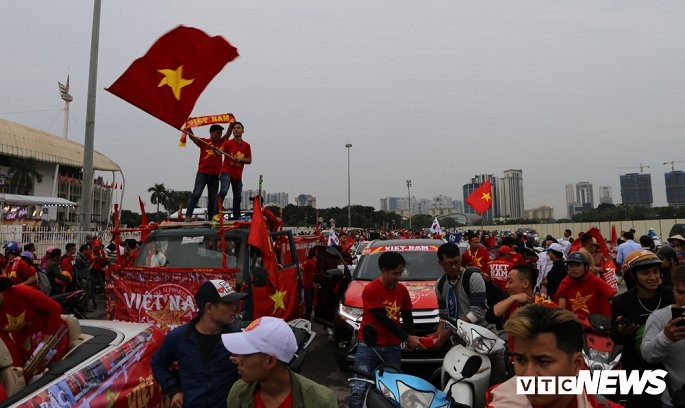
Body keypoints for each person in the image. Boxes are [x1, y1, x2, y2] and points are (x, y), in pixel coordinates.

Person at [486, 304, 622, 407]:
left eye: (543, 361)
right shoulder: (499, 401)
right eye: (521, 360)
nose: (528, 374)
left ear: (577, 364)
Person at [151, 279, 246, 408]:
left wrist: (244, 365)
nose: (234, 307)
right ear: (209, 308)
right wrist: (174, 391)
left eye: (234, 302)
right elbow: (158, 364)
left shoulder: (236, 335)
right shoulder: (179, 337)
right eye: (228, 303)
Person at [349, 251, 425, 408]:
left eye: (400, 273)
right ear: (383, 270)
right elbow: (383, 320)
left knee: (392, 390)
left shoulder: (402, 290)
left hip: (392, 346)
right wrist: (406, 337)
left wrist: (411, 336)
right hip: (369, 346)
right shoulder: (371, 289)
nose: (398, 277)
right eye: (395, 273)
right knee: (359, 387)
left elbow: (407, 315)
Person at [222, 316, 337, 407]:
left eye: (246, 353)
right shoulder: (238, 392)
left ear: (270, 361)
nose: (237, 359)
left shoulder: (321, 402)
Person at [611, 249, 673, 407]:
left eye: (655, 271)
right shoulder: (621, 302)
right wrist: (621, 332)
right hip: (638, 370)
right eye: (645, 273)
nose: (653, 277)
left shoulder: (671, 295)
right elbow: (615, 337)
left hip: (671, 366)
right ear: (632, 275)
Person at [0, 275, 69, 373]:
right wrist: (17, 368)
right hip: (25, 345)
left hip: (50, 334)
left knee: (55, 370)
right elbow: (7, 344)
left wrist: (49, 335)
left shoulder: (22, 292)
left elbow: (54, 308)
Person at [641, 263, 685, 408]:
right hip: (676, 399)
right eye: (680, 292)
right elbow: (647, 355)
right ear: (673, 291)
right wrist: (666, 337)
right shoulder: (659, 318)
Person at [434, 243, 489, 346]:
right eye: (449, 263)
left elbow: (477, 311)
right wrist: (440, 331)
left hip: (482, 335)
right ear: (440, 263)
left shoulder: (473, 277)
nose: (454, 267)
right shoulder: (440, 285)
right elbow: (443, 312)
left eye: (457, 262)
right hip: (459, 338)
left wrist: (449, 332)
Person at [487, 263, 555, 326]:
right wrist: (511, 299)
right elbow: (489, 317)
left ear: (525, 283)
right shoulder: (510, 301)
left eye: (510, 282)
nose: (506, 286)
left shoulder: (548, 307)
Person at [555, 252, 616, 320]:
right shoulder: (565, 282)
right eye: (571, 265)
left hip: (596, 323)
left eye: (578, 265)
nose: (574, 268)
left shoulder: (594, 280)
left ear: (586, 267)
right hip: (574, 323)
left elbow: (614, 296)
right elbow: (561, 307)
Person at [184, 124, 227, 221]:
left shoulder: (222, 143)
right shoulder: (204, 142)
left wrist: (232, 124)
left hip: (215, 175)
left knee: (212, 198)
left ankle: (211, 218)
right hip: (203, 173)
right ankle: (188, 216)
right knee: (196, 193)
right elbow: (192, 137)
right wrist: (189, 127)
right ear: (211, 133)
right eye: (218, 133)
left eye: (221, 133)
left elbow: (227, 135)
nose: (220, 135)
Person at [219, 121, 251, 219]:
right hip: (226, 172)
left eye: (238, 128)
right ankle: (216, 211)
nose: (236, 129)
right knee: (224, 190)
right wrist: (218, 151)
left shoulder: (246, 145)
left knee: (237, 197)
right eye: (234, 128)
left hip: (237, 175)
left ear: (243, 130)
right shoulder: (227, 143)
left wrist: (240, 159)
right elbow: (220, 151)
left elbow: (249, 160)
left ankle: (236, 216)